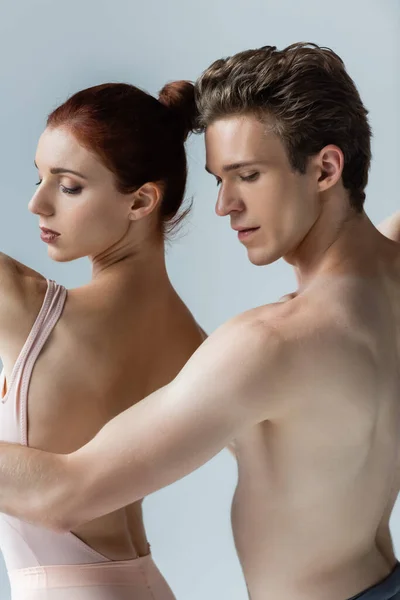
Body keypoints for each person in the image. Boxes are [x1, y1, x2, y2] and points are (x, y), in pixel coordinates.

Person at [0, 42, 399, 600]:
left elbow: (63, 495)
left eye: (248, 175)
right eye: (218, 179)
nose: (224, 205)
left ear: (327, 167)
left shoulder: (268, 344)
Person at [0, 80, 205, 599]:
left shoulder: (25, 307)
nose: (36, 204)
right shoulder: (208, 351)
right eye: (40, 178)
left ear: (140, 201)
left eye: (68, 186)